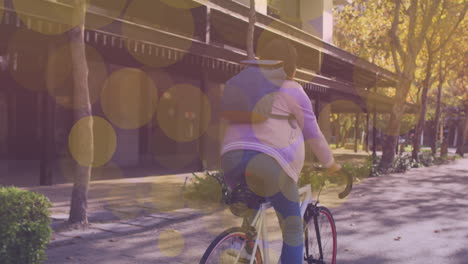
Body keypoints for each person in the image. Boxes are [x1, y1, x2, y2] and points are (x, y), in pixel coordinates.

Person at [220, 38, 341, 263]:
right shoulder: (293, 89)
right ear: (291, 67)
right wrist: (331, 165)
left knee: (251, 219)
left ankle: (243, 251)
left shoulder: (244, 83)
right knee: (293, 232)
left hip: (231, 159)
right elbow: (313, 133)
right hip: (272, 165)